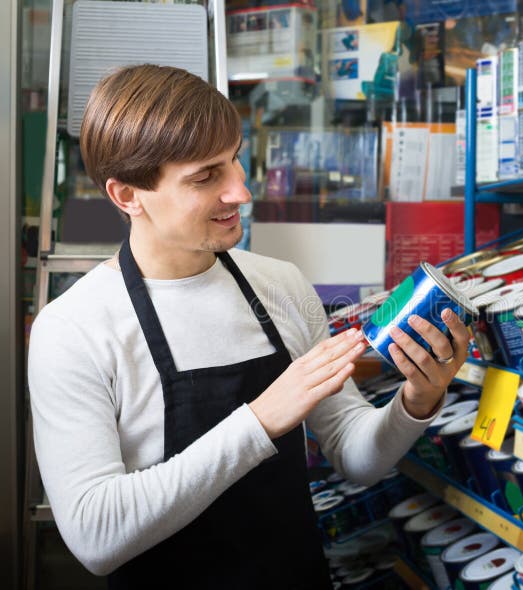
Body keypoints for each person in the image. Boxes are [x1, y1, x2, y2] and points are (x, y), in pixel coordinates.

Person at [28, 64, 470, 589]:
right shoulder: (74, 329)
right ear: (128, 196)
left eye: (235, 160)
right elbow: (95, 535)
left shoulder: (281, 285)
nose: (240, 191)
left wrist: (418, 400)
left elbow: (356, 456)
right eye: (206, 176)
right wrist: (259, 421)